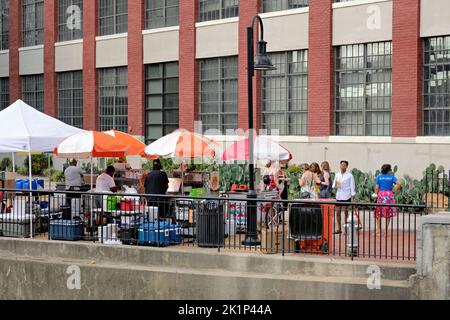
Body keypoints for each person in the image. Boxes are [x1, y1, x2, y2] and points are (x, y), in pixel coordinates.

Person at [374, 164, 401, 236]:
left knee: (378, 214)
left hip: (381, 195)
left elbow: (376, 188)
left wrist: (375, 196)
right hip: (389, 195)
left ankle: (378, 231)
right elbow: (399, 184)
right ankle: (385, 231)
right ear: (389, 170)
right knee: (388, 214)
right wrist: (394, 191)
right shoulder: (392, 177)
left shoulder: (379, 177)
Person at [332, 161, 356, 234]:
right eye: (341, 165)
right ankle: (339, 229)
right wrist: (336, 185)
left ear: (347, 166)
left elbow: (352, 186)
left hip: (347, 196)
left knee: (346, 212)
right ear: (340, 166)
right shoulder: (337, 175)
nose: (343, 166)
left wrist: (352, 197)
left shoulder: (350, 175)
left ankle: (346, 229)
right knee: (338, 212)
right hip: (339, 195)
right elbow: (333, 186)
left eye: (344, 165)